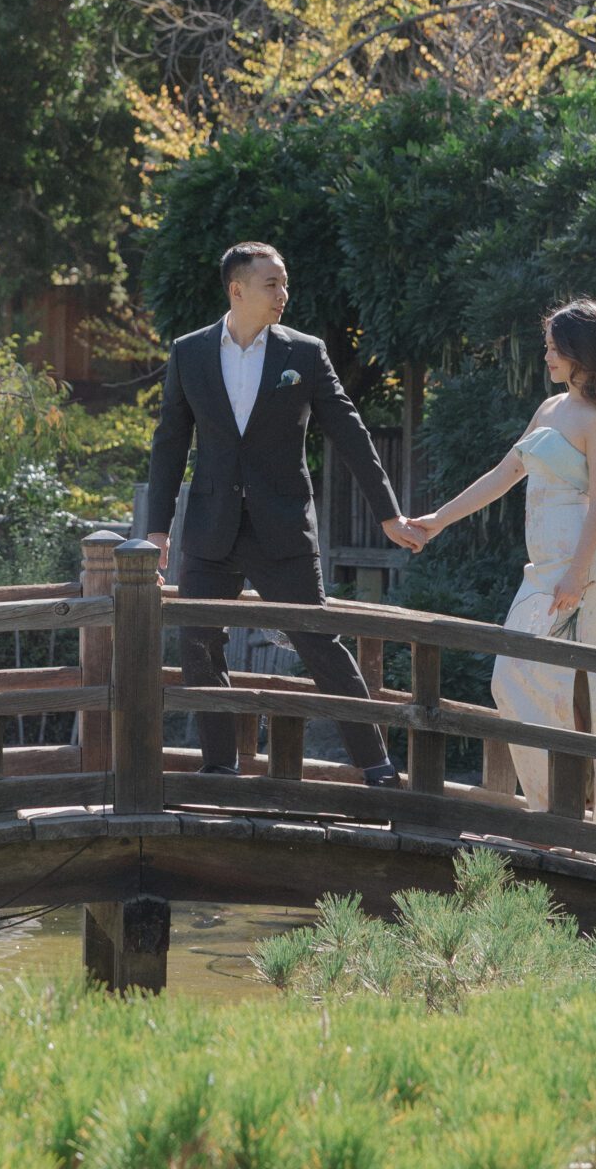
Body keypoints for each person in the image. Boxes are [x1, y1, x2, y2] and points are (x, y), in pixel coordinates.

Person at [404, 296, 596, 836]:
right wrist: (438, 520)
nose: (548, 356)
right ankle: (551, 808)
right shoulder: (549, 408)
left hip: (579, 568)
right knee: (512, 681)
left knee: (563, 685)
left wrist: (577, 572)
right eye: (548, 347)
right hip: (541, 568)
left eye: (556, 348)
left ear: (583, 350)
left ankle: (580, 815)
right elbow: (503, 474)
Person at [146, 240, 423, 786]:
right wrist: (158, 529)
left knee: (319, 641)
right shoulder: (190, 352)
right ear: (237, 289)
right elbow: (169, 442)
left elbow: (350, 433)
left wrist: (388, 514)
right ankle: (220, 768)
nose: (283, 294)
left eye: (285, 282)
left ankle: (378, 767)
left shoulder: (304, 352)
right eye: (272, 284)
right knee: (200, 646)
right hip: (210, 526)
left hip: (284, 527)